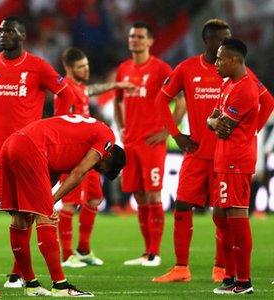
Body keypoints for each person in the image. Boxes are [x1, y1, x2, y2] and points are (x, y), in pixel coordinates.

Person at [0, 16, 76, 290]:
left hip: (27, 154)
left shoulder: (38, 66)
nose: (2, 34)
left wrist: (54, 124)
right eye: (0, 30)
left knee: (24, 212)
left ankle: (18, 272)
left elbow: (67, 93)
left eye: (9, 31)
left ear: (22, 36)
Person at [152, 19, 274, 283]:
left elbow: (268, 101)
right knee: (182, 206)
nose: (226, 42)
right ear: (208, 41)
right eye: (222, 38)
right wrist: (176, 135)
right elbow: (161, 99)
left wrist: (251, 131)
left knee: (224, 214)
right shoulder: (187, 68)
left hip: (227, 155)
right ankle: (181, 268)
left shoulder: (238, 72)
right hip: (196, 153)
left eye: (229, 37)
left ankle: (221, 268)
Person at [1, 114, 126, 297]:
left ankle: (31, 283)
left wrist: (41, 201)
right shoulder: (107, 137)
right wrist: (49, 202)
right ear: (107, 156)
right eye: (101, 168)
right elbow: (79, 173)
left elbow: (51, 173)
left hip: (12, 143)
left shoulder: (73, 144)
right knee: (47, 218)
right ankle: (60, 286)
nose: (95, 168)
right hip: (32, 148)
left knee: (20, 218)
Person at [54, 47, 135, 268]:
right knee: (70, 204)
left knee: (94, 198)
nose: (86, 70)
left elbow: (91, 90)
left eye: (87, 66)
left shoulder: (79, 88)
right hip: (73, 157)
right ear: (68, 68)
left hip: (90, 155)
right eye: (81, 67)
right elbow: (59, 124)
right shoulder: (64, 91)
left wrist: (115, 85)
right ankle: (67, 254)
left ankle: (83, 249)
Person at [113, 22, 178, 267]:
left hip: (152, 142)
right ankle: (146, 251)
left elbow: (179, 100)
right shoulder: (123, 69)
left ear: (150, 41)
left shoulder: (161, 69)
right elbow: (118, 101)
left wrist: (168, 131)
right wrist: (121, 127)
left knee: (152, 194)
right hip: (131, 142)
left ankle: (155, 252)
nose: (135, 40)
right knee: (139, 196)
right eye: (132, 36)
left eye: (140, 36)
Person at [207, 38, 260, 295]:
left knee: (236, 217)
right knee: (221, 217)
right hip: (223, 158)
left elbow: (224, 127)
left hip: (236, 159)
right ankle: (229, 276)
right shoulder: (227, 83)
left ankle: (244, 280)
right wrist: (214, 121)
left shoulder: (245, 89)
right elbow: (214, 119)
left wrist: (215, 122)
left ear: (235, 60)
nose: (215, 63)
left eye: (220, 58)